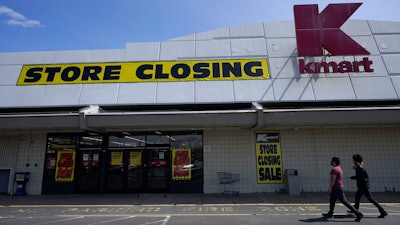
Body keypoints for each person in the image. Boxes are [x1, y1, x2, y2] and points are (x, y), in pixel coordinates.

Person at [322, 157, 363, 222]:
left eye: (332, 161)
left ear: (334, 162)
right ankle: (330, 212)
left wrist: (330, 187)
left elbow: (333, 180)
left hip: (337, 188)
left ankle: (358, 213)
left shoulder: (334, 170)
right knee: (332, 200)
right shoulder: (339, 168)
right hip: (338, 187)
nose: (331, 162)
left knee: (344, 201)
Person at [349, 154, 388, 218]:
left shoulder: (360, 169)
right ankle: (355, 209)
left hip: (364, 187)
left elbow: (360, 177)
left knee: (371, 199)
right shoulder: (358, 167)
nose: (353, 161)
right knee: (357, 197)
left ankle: (383, 211)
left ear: (356, 161)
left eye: (353, 160)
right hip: (361, 187)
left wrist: (353, 177)